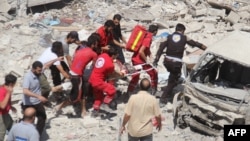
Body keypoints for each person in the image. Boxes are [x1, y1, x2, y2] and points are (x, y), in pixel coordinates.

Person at [153, 23, 207, 107]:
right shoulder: (184, 37)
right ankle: (163, 98)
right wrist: (206, 48)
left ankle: (169, 89)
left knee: (174, 76)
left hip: (167, 62)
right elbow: (195, 43)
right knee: (173, 79)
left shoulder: (168, 37)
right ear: (182, 31)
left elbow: (160, 49)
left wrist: (156, 60)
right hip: (176, 63)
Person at [54, 34, 99, 118]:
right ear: (94, 44)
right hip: (77, 76)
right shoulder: (93, 54)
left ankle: (83, 110)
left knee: (82, 92)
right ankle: (59, 106)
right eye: (97, 44)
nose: (97, 45)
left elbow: (75, 60)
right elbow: (95, 67)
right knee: (75, 97)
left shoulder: (81, 49)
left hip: (72, 72)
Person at [89, 46, 124, 116]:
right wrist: (121, 74)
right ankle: (106, 101)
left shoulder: (103, 55)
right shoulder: (110, 65)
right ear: (113, 55)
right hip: (98, 81)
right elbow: (113, 73)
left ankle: (95, 110)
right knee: (112, 90)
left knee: (99, 95)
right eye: (116, 55)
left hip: (92, 78)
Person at [126, 24, 159, 98]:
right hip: (140, 61)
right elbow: (141, 51)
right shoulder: (148, 38)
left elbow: (145, 48)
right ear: (155, 32)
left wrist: (150, 55)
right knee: (154, 73)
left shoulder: (146, 35)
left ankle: (129, 92)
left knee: (135, 76)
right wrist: (146, 60)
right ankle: (154, 90)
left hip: (135, 59)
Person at [21, 61, 47, 136]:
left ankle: (37, 136)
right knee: (27, 121)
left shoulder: (38, 72)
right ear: (33, 69)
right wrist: (39, 96)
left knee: (42, 117)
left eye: (41, 70)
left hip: (37, 102)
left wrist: (57, 59)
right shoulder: (28, 77)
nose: (40, 72)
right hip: (29, 103)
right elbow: (25, 91)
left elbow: (46, 64)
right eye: (39, 70)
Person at [0, 74, 17, 140]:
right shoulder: (2, 91)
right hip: (1, 116)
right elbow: (2, 106)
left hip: (6, 114)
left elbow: (5, 102)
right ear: (11, 84)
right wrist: (9, 93)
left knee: (13, 129)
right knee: (1, 133)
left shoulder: (6, 89)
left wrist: (11, 107)